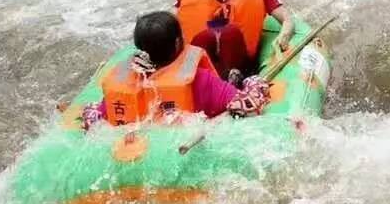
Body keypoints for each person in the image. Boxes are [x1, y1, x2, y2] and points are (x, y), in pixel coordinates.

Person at [86, 12, 268, 127]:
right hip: (183, 142)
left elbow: (96, 118)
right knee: (253, 81)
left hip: (137, 143)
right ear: (178, 42)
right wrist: (253, 83)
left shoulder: (123, 82)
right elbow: (247, 105)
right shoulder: (198, 78)